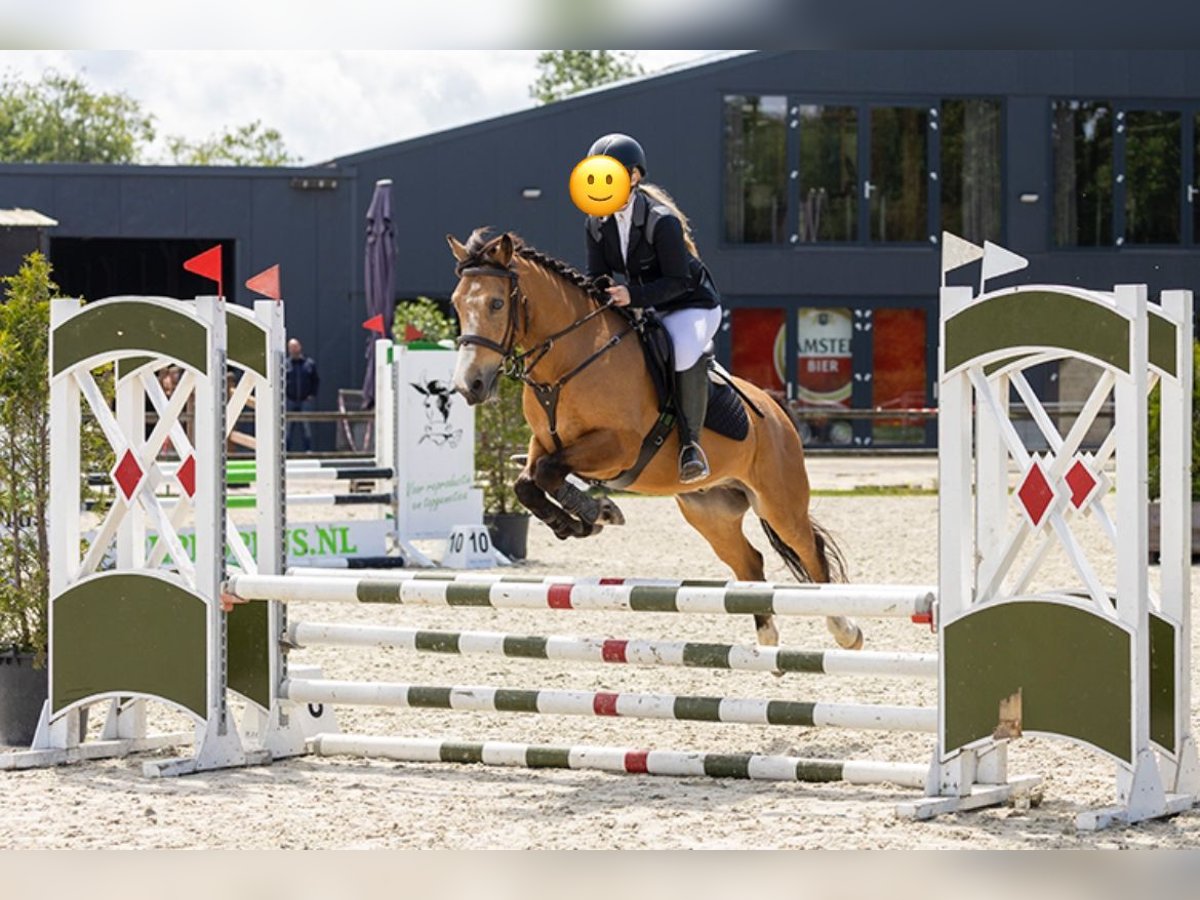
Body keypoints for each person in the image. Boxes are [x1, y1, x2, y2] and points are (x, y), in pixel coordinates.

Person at [583, 132, 722, 484]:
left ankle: (691, 447)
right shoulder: (596, 222)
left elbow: (678, 282)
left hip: (691, 305)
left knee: (683, 350)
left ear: (633, 177)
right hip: (647, 304)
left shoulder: (662, 221)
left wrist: (632, 296)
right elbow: (598, 275)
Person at [286, 338, 320, 452]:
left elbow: (315, 380)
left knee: (306, 427)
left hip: (305, 400)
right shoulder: (285, 364)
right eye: (291, 347)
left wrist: (312, 394)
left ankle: (308, 450)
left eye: (295, 347)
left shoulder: (309, 364)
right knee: (287, 428)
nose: (293, 349)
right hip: (289, 400)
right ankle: (286, 452)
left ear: (300, 347)